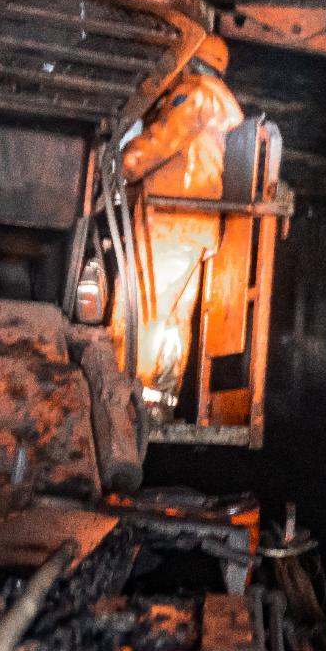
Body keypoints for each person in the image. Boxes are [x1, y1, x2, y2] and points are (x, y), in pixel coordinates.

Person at [118, 34, 244, 405]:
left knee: (143, 310)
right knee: (172, 320)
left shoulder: (196, 95)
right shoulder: (219, 104)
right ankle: (158, 402)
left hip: (170, 222)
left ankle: (128, 400)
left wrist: (120, 164)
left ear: (189, 61)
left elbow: (161, 142)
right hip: (192, 225)